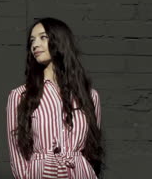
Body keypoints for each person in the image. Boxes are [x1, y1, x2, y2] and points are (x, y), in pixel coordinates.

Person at [7, 18, 103, 179]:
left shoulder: (90, 96)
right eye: (32, 40)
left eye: (43, 37)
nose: (35, 45)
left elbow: (92, 147)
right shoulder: (20, 95)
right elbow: (17, 153)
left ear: (60, 41)